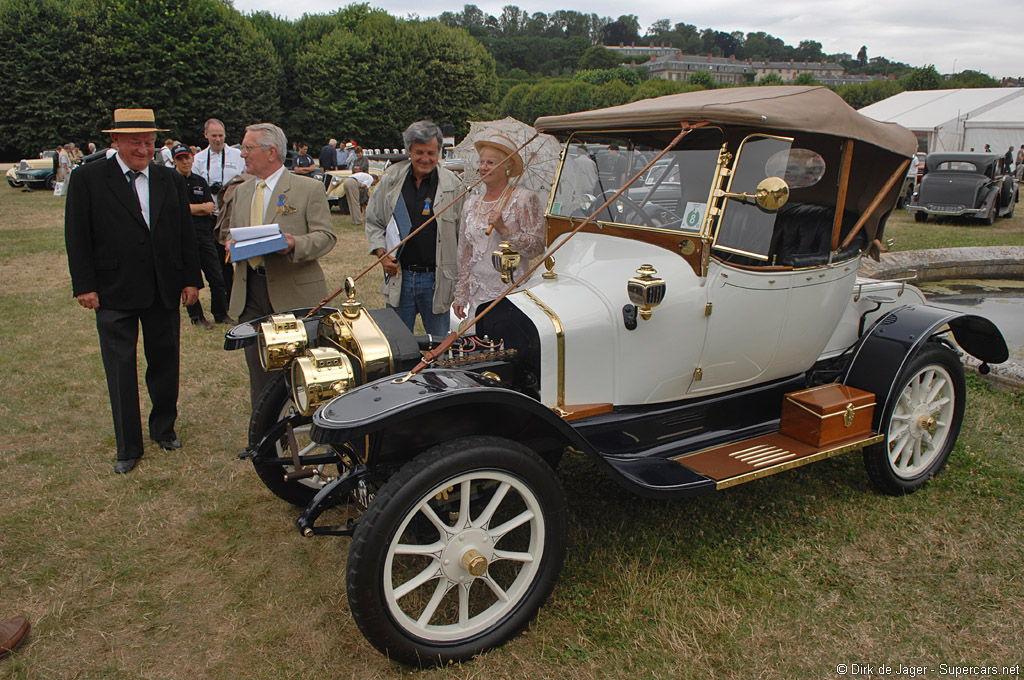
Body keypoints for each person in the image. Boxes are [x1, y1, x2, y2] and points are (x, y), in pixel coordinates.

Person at [64, 108, 201, 474]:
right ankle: (128, 446)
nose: (144, 149)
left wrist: (192, 279)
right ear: (116, 141)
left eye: (150, 142)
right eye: (136, 142)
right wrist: (85, 285)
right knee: (120, 369)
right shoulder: (87, 178)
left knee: (165, 362)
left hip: (162, 287)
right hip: (112, 291)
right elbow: (76, 235)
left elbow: (185, 233)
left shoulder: (169, 179)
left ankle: (164, 428)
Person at [229, 123, 336, 407]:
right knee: (258, 365)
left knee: (302, 366)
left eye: (248, 148)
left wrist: (294, 244)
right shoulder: (241, 191)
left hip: (293, 292)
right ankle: (263, 435)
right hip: (251, 290)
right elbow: (232, 232)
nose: (242, 154)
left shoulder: (308, 188)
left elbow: (326, 237)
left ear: (271, 151)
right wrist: (231, 245)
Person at [366, 120, 464, 337]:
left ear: (439, 152)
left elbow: (463, 238)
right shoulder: (391, 180)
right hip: (401, 276)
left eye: (431, 152)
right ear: (409, 150)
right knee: (398, 346)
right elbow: (374, 222)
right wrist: (382, 255)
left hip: (436, 280)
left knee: (438, 347)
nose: (426, 158)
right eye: (419, 152)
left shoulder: (454, 186)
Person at [453, 133, 544, 326]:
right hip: (477, 294)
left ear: (507, 167)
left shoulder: (524, 199)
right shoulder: (470, 204)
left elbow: (536, 247)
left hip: (509, 293)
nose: (484, 167)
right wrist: (461, 293)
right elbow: (465, 254)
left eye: (491, 162)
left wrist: (505, 230)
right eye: (482, 162)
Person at [171, 144, 233, 328]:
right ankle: (197, 317)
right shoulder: (170, 181)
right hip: (182, 237)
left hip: (205, 235)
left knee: (217, 277)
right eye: (180, 159)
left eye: (187, 157)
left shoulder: (199, 181)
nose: (184, 162)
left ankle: (221, 314)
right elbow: (173, 209)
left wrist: (191, 209)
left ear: (192, 158)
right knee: (190, 279)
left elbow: (211, 208)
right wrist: (198, 208)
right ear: (174, 161)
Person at [192, 118, 246, 203]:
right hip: (209, 209)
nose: (218, 139)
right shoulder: (198, 159)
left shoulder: (238, 155)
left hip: (232, 209)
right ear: (206, 134)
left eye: (221, 135)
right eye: (214, 136)